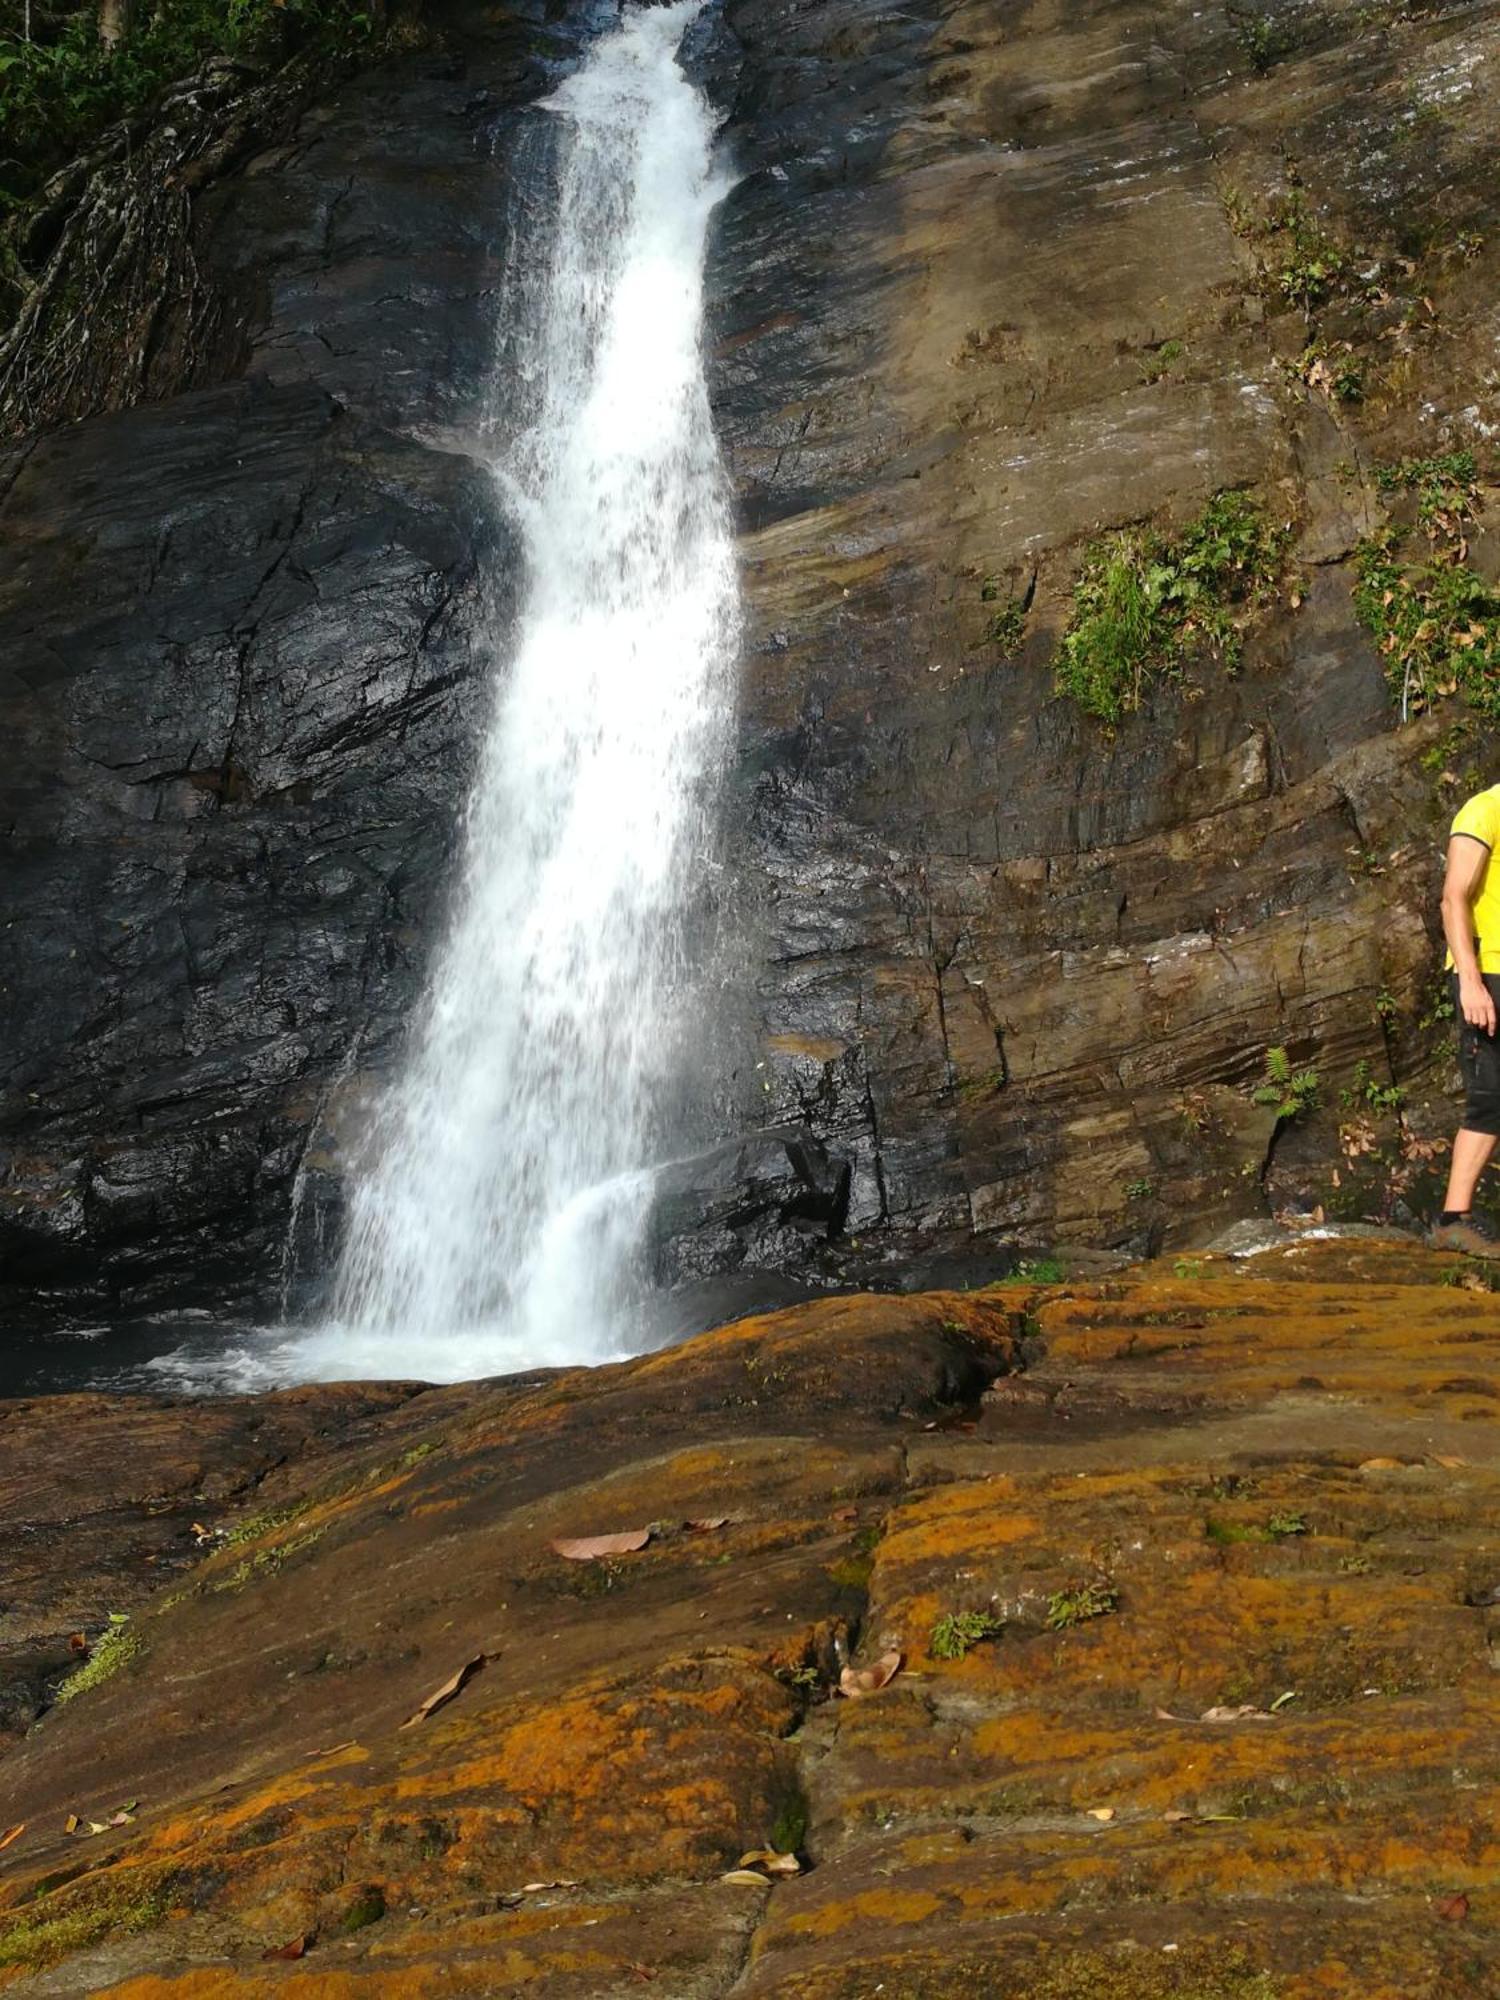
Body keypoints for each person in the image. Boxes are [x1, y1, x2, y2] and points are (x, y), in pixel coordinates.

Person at [1430, 781, 1500, 1255]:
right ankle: (1454, 1220)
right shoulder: (1485, 809)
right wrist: (1471, 983)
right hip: (1490, 975)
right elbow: (1453, 897)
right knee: (1491, 1098)